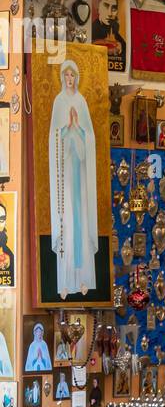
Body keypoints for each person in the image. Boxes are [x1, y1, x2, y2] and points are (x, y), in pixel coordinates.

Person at [48, 59, 98, 298]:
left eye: (72, 76)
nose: (70, 79)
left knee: (80, 223)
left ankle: (83, 278)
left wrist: (78, 127)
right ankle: (65, 281)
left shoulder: (81, 101)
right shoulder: (59, 101)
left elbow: (90, 137)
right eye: (66, 75)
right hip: (65, 175)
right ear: (62, 77)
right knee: (66, 222)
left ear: (76, 77)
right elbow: (53, 137)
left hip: (80, 171)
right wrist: (66, 127)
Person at [91, 0, 126, 70]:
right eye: (106, 6)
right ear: (98, 7)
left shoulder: (120, 39)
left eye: (114, 9)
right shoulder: (92, 31)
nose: (110, 13)